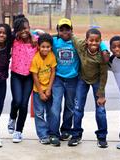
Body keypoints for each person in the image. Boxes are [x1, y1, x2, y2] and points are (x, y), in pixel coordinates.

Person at [68, 28, 108, 148]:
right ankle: (76, 135)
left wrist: (101, 94)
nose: (93, 43)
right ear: (86, 40)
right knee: (78, 108)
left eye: (97, 41)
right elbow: (70, 35)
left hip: (97, 81)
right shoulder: (81, 46)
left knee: (100, 109)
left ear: (100, 41)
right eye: (91, 40)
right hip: (82, 79)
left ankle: (102, 137)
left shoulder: (103, 55)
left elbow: (103, 75)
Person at [49, 18, 80, 146]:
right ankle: (53, 134)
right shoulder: (55, 41)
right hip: (58, 79)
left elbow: (95, 43)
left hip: (72, 79)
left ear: (71, 30)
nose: (64, 32)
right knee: (55, 107)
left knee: (70, 106)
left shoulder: (76, 42)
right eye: (61, 30)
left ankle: (66, 130)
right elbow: (38, 36)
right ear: (58, 31)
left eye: (67, 29)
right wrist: (55, 35)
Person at [7, 14, 38, 143]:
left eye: (26, 28)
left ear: (29, 28)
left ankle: (19, 131)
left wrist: (37, 33)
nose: (24, 31)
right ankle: (12, 117)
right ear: (16, 31)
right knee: (17, 101)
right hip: (16, 75)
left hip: (29, 76)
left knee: (24, 104)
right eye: (21, 29)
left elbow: (49, 38)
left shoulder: (36, 40)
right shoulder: (14, 40)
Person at [30, 33, 57, 145]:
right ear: (39, 47)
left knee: (51, 112)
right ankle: (43, 135)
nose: (45, 49)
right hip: (38, 90)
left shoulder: (51, 56)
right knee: (39, 113)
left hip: (49, 89)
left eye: (48, 47)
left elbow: (53, 72)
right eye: (43, 47)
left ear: (51, 47)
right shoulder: (36, 58)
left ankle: (51, 133)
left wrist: (49, 89)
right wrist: (41, 92)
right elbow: (34, 76)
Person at [109, 36, 120, 150]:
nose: (117, 49)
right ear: (110, 49)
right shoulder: (111, 61)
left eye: (119, 46)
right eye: (114, 47)